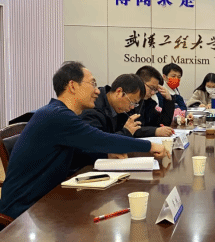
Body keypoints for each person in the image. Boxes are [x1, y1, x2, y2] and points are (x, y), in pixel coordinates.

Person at [0, 62, 166, 222]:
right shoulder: (57, 116)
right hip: (25, 211)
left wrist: (107, 153)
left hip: (47, 202)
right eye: (92, 84)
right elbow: (102, 139)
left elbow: (83, 150)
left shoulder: (58, 113)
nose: (97, 91)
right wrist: (150, 146)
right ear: (72, 86)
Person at [80, 73, 145, 136]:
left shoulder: (120, 110)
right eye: (132, 102)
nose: (132, 107)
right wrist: (126, 132)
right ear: (119, 92)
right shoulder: (92, 109)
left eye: (135, 104)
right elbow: (97, 140)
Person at [132, 65, 175, 137]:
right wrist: (155, 131)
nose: (153, 93)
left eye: (155, 90)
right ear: (140, 82)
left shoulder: (148, 102)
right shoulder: (128, 102)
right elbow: (129, 130)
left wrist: (168, 100)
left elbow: (163, 123)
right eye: (151, 88)